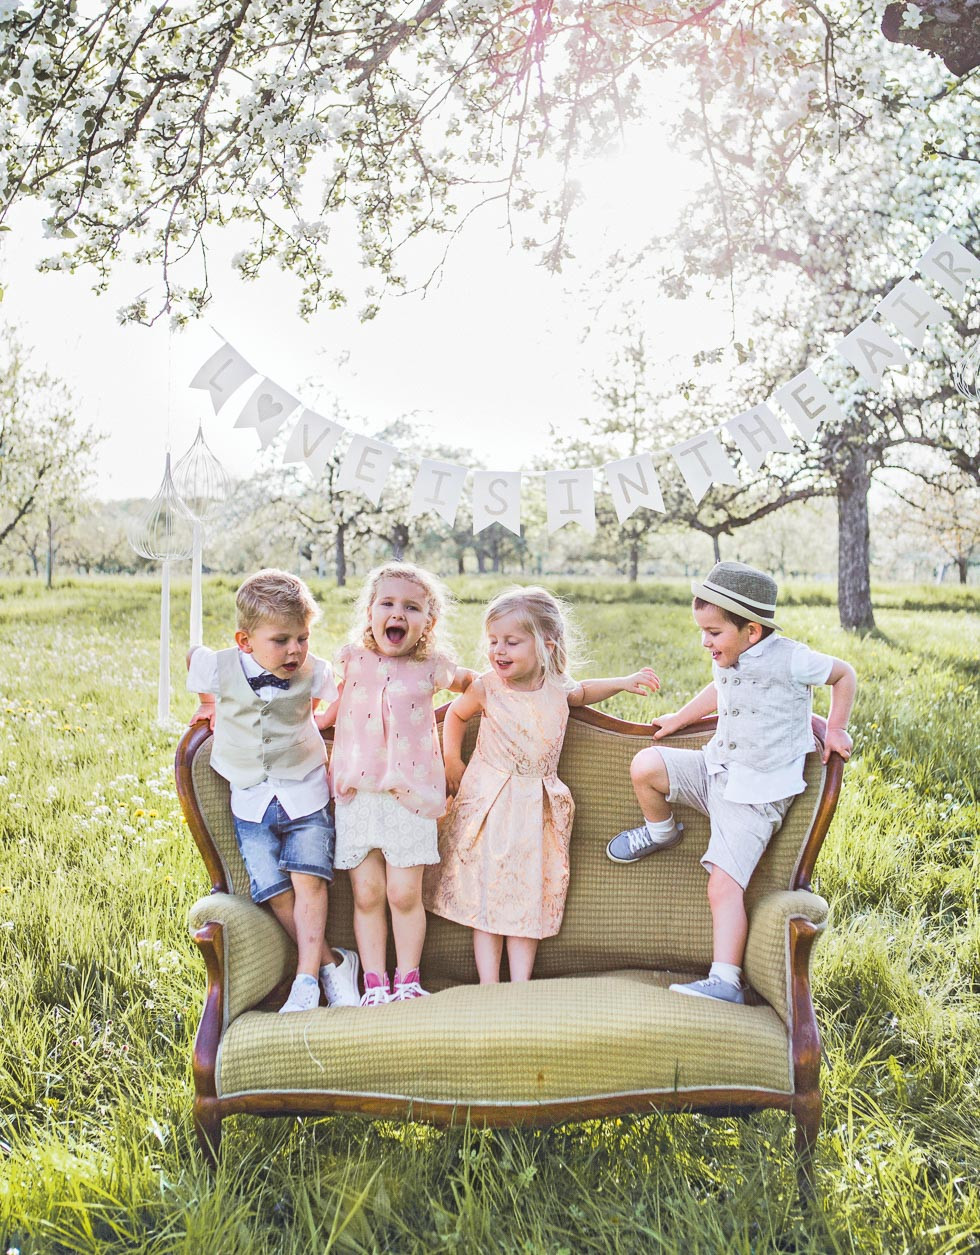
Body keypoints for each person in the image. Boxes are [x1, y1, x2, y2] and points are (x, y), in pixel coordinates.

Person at [606, 561, 856, 1005]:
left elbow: (844, 675)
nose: (705, 642)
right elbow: (717, 689)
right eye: (702, 631)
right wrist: (680, 718)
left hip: (756, 797)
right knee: (646, 766)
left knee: (723, 885)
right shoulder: (731, 654)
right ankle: (662, 832)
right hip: (715, 769)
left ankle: (726, 979)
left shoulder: (792, 658)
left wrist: (835, 728)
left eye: (714, 633)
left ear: (753, 631)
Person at [423, 586, 660, 985]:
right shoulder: (487, 687)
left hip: (535, 810)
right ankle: (489, 985)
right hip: (489, 803)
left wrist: (623, 681)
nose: (499, 650)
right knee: (487, 895)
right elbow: (455, 717)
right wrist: (452, 760)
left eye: (512, 642)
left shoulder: (558, 688)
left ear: (546, 645)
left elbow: (585, 692)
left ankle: (520, 985)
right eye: (494, 641)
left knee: (525, 898)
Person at [186, 568, 360, 1014]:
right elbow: (194, 658)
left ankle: (306, 981)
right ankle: (333, 963)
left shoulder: (314, 670)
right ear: (245, 642)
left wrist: (322, 720)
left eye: (302, 637)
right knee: (273, 889)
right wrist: (208, 704)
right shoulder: (221, 665)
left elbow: (344, 693)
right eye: (281, 640)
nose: (295, 650)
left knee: (309, 881)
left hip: (304, 790)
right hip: (250, 797)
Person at [326, 562, 474, 1006]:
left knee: (403, 892)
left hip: (411, 797)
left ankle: (407, 980)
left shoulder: (432, 666)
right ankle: (374, 983)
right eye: (387, 603)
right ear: (371, 611)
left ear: (428, 621)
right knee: (367, 893)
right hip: (358, 795)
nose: (398, 613)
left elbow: (477, 687)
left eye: (412, 607)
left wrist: (453, 755)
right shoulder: (352, 659)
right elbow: (328, 709)